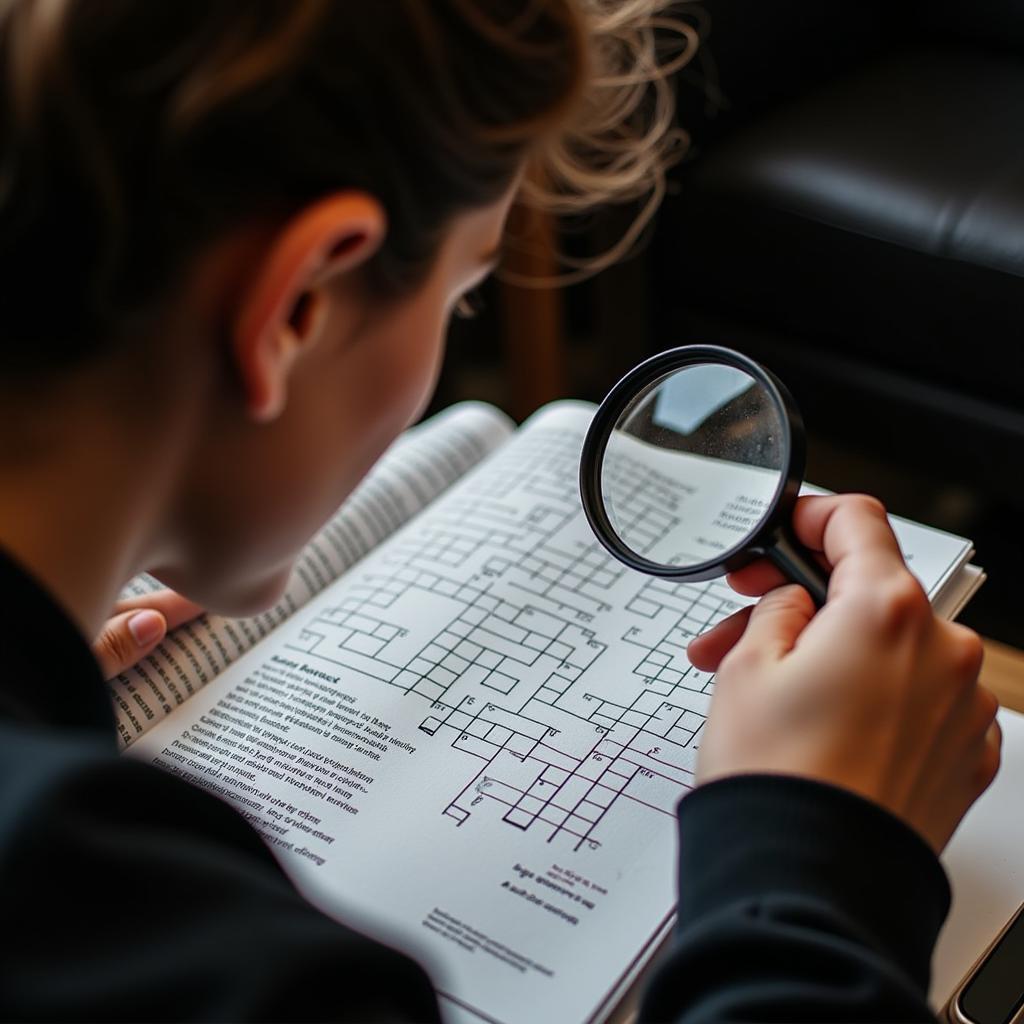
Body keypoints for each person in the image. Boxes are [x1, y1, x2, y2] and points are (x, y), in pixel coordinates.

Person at [0, 1, 1000, 1021]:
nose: (454, 327)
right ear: (298, 302)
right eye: (461, 293)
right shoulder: (199, 953)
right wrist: (820, 855)